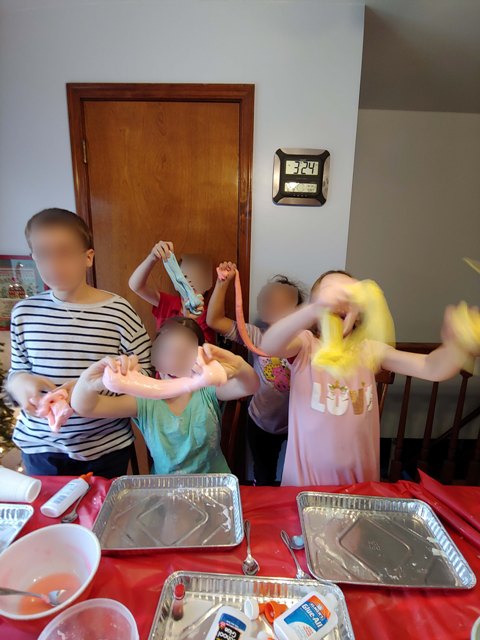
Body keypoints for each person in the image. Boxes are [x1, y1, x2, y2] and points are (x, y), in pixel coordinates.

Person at [261, 270, 470, 486]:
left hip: (361, 485)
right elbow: (269, 345)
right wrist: (314, 308)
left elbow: (431, 368)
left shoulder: (369, 350)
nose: (338, 300)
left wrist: (457, 345)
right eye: (330, 294)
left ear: (358, 312)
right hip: (305, 484)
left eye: (348, 295)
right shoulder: (305, 346)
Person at [6, 208, 151, 478]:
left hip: (106, 446)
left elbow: (147, 374)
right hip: (41, 447)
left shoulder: (118, 310)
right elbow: (17, 371)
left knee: (104, 516)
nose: (54, 264)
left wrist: (92, 386)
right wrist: (22, 384)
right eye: (44, 254)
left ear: (88, 257)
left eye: (64, 253)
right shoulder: (23, 313)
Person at [71, 317, 259, 474]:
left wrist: (239, 365)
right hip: (165, 488)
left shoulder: (208, 391)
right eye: (168, 352)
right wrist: (89, 381)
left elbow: (250, 386)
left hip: (213, 483)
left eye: (184, 353)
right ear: (156, 358)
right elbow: (87, 407)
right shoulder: (144, 402)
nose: (175, 362)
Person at [207, 262, 304, 485]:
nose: (276, 306)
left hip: (297, 424)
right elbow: (214, 320)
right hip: (261, 422)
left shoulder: (305, 341)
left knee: (295, 478)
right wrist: (223, 282)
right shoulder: (255, 335)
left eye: (284, 302)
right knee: (264, 477)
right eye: (271, 300)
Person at [129, 240, 215, 343]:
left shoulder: (208, 316)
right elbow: (136, 286)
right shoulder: (168, 303)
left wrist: (190, 322)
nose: (192, 282)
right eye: (186, 276)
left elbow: (203, 351)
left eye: (199, 277)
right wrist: (153, 257)